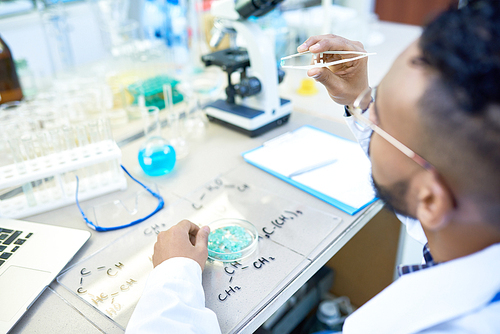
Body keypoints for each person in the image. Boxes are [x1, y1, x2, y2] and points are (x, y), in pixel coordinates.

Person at [127, 1, 500, 333]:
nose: (367, 116)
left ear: (432, 199)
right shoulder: (475, 220)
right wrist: (359, 97)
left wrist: (173, 278)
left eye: (379, 114)